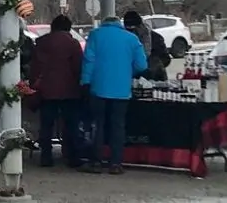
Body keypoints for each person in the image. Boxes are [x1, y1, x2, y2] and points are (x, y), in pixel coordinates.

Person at [79, 16, 147, 174]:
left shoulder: (96, 35)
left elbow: (89, 60)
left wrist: (85, 82)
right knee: (118, 126)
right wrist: (129, 72)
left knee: (98, 124)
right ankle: (116, 163)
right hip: (122, 91)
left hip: (99, 87)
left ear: (104, 23)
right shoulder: (131, 38)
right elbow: (142, 65)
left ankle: (95, 161)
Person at [28, 15, 85, 168]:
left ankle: (46, 156)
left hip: (46, 91)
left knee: (47, 124)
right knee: (70, 125)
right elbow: (78, 68)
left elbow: (34, 68)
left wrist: (34, 85)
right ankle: (72, 157)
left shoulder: (41, 43)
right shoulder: (72, 44)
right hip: (69, 90)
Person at [123, 10, 171, 81]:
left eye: (133, 28)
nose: (131, 32)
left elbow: (166, 59)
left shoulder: (155, 38)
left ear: (140, 26)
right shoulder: (125, 39)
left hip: (155, 78)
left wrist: (154, 65)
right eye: (128, 28)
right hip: (135, 79)